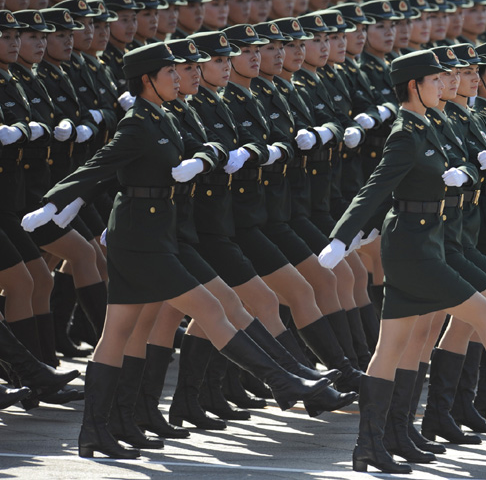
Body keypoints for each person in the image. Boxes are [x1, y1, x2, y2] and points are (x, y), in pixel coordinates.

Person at [20, 41, 332, 459]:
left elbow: (202, 147)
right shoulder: (137, 123)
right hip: (141, 238)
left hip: (157, 233)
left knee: (117, 333)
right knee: (208, 307)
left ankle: (106, 427)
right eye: (169, 72)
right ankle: (282, 381)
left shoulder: (163, 116)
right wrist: (56, 202)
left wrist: (205, 157)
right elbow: (99, 166)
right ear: (147, 80)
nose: (178, 77)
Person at [317, 49, 486, 474]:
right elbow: (375, 187)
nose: (444, 85)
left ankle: (381, 441)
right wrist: (342, 237)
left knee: (395, 346)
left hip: (434, 242)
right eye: (436, 80)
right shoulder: (405, 133)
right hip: (412, 248)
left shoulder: (436, 123)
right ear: (414, 86)